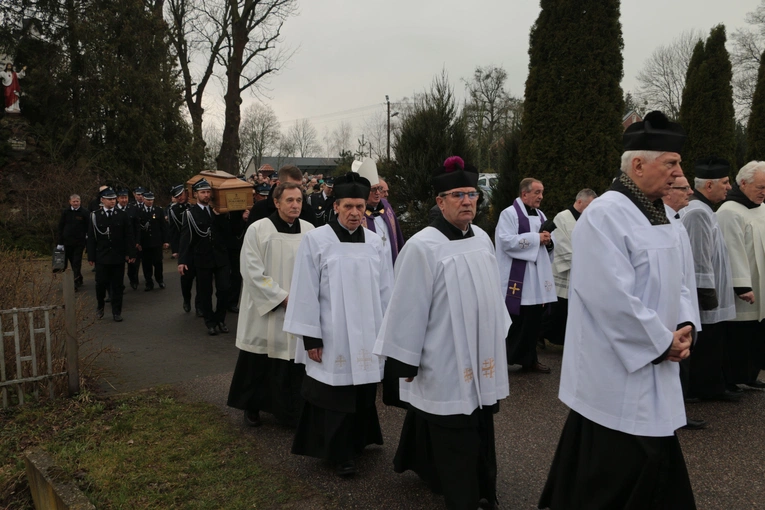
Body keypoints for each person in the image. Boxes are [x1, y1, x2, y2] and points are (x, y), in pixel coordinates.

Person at [539, 111, 697, 510]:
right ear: (638, 164)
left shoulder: (665, 216)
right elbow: (608, 295)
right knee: (612, 469)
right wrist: (662, 342)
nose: (679, 174)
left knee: (652, 454)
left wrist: (685, 323)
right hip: (617, 366)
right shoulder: (605, 214)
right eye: (672, 163)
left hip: (657, 355)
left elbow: (681, 279)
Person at [373, 156, 510, 510]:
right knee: (454, 434)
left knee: (480, 426)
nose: (467, 201)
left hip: (481, 355)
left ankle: (484, 490)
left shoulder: (481, 238)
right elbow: (407, 307)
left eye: (471, 194)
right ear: (440, 201)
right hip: (444, 359)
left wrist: (498, 334)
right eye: (457, 195)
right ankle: (461, 499)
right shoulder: (423, 246)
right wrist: (405, 360)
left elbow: (493, 295)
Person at [283, 172, 393, 477]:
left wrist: (388, 336)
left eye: (360, 207)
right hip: (332, 334)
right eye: (349, 207)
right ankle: (338, 452)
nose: (356, 213)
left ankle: (358, 441)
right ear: (336, 206)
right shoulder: (316, 240)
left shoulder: (375, 242)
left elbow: (387, 291)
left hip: (368, 333)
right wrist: (310, 338)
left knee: (363, 391)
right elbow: (305, 290)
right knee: (334, 394)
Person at [227, 182, 315, 428]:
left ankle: (291, 410)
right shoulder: (258, 229)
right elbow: (251, 270)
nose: (295, 205)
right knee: (259, 360)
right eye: (289, 200)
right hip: (266, 309)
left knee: (292, 362)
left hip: (299, 306)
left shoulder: (309, 231)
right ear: (276, 202)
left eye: (299, 200)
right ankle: (252, 407)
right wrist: (281, 297)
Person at [680, 158, 740, 405]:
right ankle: (704, 389)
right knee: (707, 343)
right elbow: (699, 258)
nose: (729, 187)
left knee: (713, 341)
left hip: (711, 289)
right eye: (725, 182)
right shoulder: (697, 212)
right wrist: (707, 294)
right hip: (705, 292)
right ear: (708, 185)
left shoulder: (703, 210)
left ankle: (712, 385)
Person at [495, 177, 557, 373]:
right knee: (518, 321)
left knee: (533, 320)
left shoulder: (540, 215)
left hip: (536, 278)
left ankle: (530, 359)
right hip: (519, 279)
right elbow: (506, 241)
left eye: (542, 192)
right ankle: (506, 357)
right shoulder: (509, 214)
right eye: (537, 192)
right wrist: (536, 238)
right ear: (524, 194)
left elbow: (548, 243)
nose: (541, 196)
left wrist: (548, 241)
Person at [663, 173, 708, 430]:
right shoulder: (663, 223)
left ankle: (678, 412)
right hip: (675, 308)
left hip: (686, 302)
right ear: (669, 192)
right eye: (684, 188)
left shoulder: (677, 221)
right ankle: (675, 414)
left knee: (685, 365)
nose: (690, 192)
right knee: (679, 365)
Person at [717, 160, 765, 390]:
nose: (764, 193)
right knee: (738, 334)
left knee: (756, 333)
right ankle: (732, 378)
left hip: (762, 281)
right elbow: (732, 250)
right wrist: (742, 286)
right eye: (760, 187)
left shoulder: (762, 208)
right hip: (745, 287)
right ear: (743, 183)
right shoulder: (729, 211)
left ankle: (749, 375)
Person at [541, 189, 597, 346]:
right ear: (579, 202)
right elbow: (561, 244)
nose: (591, 209)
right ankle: (541, 334)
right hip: (567, 270)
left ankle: (567, 339)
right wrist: (582, 260)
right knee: (558, 309)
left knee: (571, 309)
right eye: (589, 205)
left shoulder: (589, 219)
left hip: (581, 271)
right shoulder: (563, 217)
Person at [178, 179, 231, 336]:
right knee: (205, 292)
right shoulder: (190, 213)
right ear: (196, 194)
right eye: (203, 192)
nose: (206, 195)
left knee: (224, 289)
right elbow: (185, 238)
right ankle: (210, 322)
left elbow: (226, 232)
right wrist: (182, 261)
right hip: (202, 258)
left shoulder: (219, 210)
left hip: (220, 257)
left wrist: (219, 215)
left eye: (208, 192)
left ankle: (221, 319)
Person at [87, 187, 136, 322]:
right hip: (102, 256)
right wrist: (91, 256)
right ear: (102, 200)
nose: (112, 201)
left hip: (117, 256)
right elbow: (91, 237)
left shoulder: (122, 215)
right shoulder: (95, 216)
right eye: (109, 199)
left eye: (114, 199)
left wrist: (131, 253)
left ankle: (116, 311)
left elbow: (128, 235)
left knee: (117, 285)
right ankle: (100, 307)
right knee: (100, 284)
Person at [357, 158, 405, 265]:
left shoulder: (386, 207)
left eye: (379, 189)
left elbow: (398, 236)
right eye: (373, 190)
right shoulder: (359, 214)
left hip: (391, 262)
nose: (378, 193)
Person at [246, 165, 316, 228]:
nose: (296, 190)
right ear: (278, 184)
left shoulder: (308, 212)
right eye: (290, 186)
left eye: (299, 186)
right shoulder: (260, 209)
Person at [168, 184, 200, 315]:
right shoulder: (174, 210)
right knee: (186, 278)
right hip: (185, 248)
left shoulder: (195, 206)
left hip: (198, 246)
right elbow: (174, 231)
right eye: (177, 196)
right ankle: (187, 299)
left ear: (187, 193)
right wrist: (176, 250)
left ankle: (200, 305)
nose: (180, 198)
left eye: (181, 195)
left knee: (201, 278)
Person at [138, 191, 169, 291]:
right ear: (143, 200)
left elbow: (163, 227)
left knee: (158, 263)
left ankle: (160, 280)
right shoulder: (139, 211)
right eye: (148, 200)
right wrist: (138, 242)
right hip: (145, 242)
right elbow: (137, 229)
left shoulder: (158, 210)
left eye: (151, 200)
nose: (150, 202)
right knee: (146, 264)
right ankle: (149, 282)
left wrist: (165, 241)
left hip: (156, 242)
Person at [56, 194, 89, 289]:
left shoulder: (84, 212)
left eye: (77, 201)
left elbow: (88, 226)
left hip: (79, 242)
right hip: (67, 242)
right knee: (69, 262)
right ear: (70, 202)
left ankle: (74, 282)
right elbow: (61, 227)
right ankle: (79, 277)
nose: (75, 203)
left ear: (80, 202)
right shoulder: (65, 212)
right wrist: (60, 242)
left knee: (76, 262)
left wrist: (87, 238)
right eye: (74, 201)